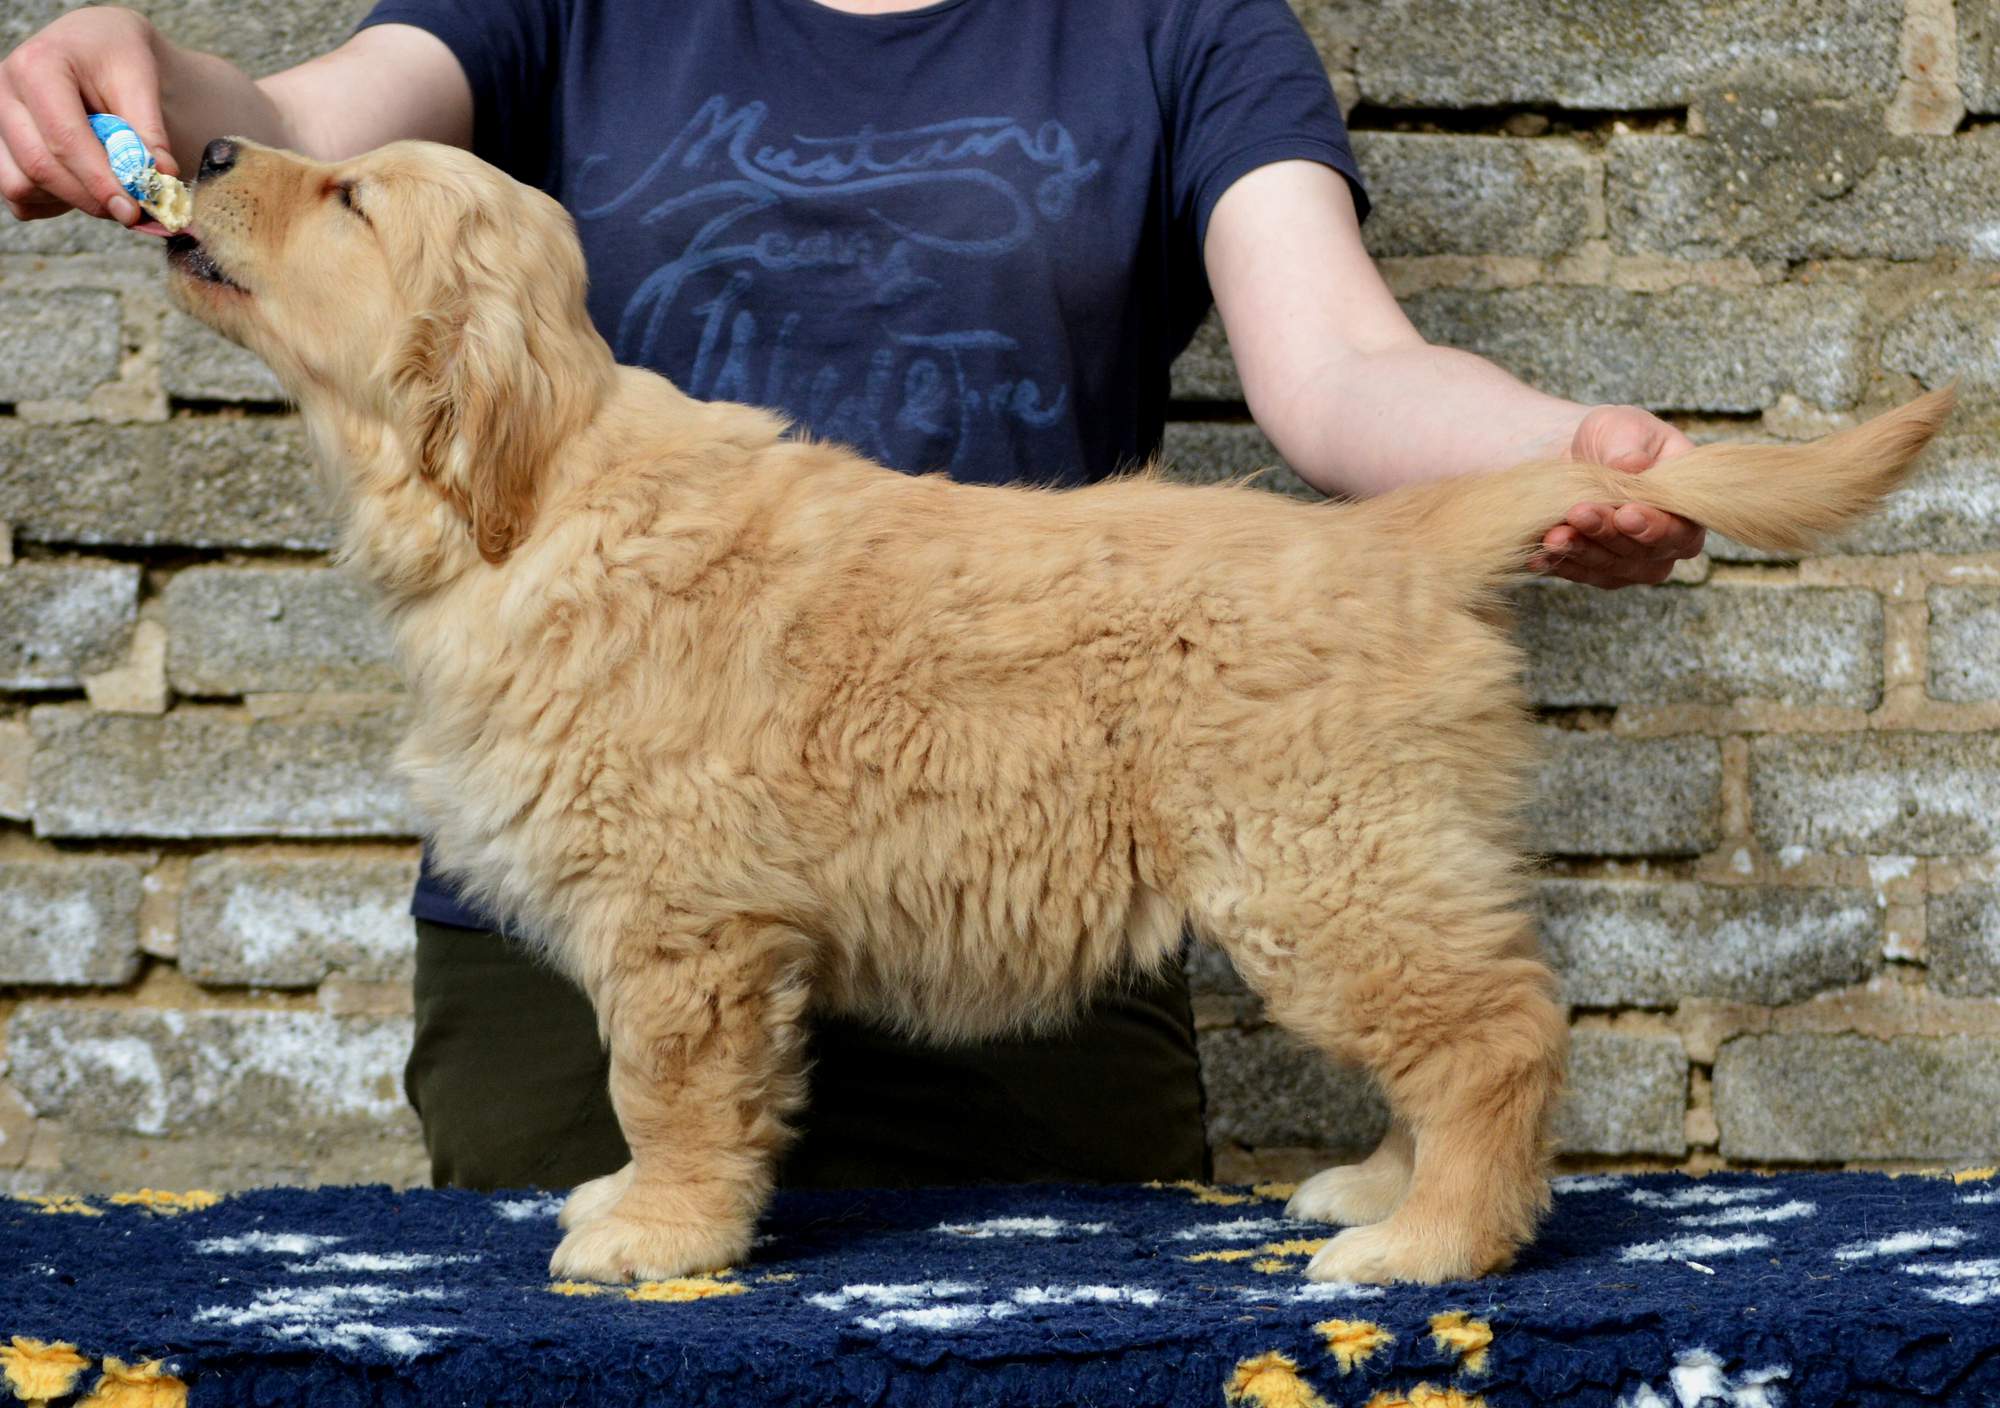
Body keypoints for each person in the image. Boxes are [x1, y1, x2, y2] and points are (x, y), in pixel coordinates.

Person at [0, 0, 1705, 1195]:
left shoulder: (1179, 19)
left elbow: (1339, 366)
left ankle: (1462, 1150)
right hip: (574, 998)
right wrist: (138, 76)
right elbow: (300, 130)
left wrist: (1551, 453)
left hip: (1017, 880)